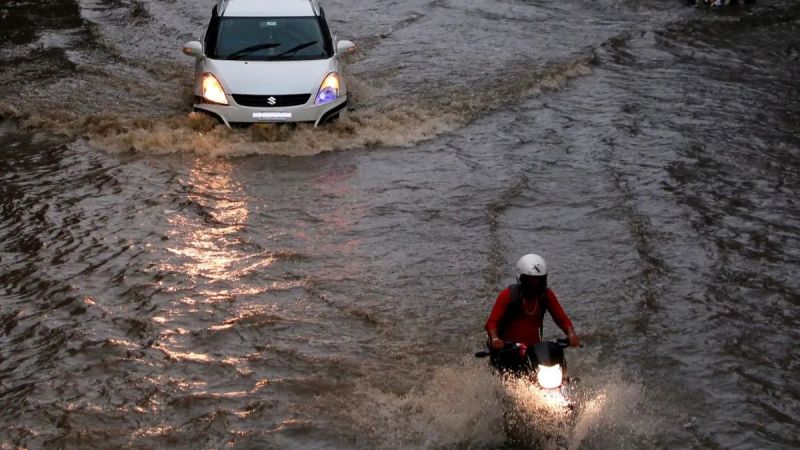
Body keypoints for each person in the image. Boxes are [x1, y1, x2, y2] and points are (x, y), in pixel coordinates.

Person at [485, 254, 580, 356]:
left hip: (534, 352)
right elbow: (492, 322)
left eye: (539, 281)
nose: (535, 285)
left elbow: (562, 319)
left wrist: (571, 334)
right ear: (521, 279)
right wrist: (495, 339)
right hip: (507, 351)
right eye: (530, 281)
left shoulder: (546, 295)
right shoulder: (508, 295)